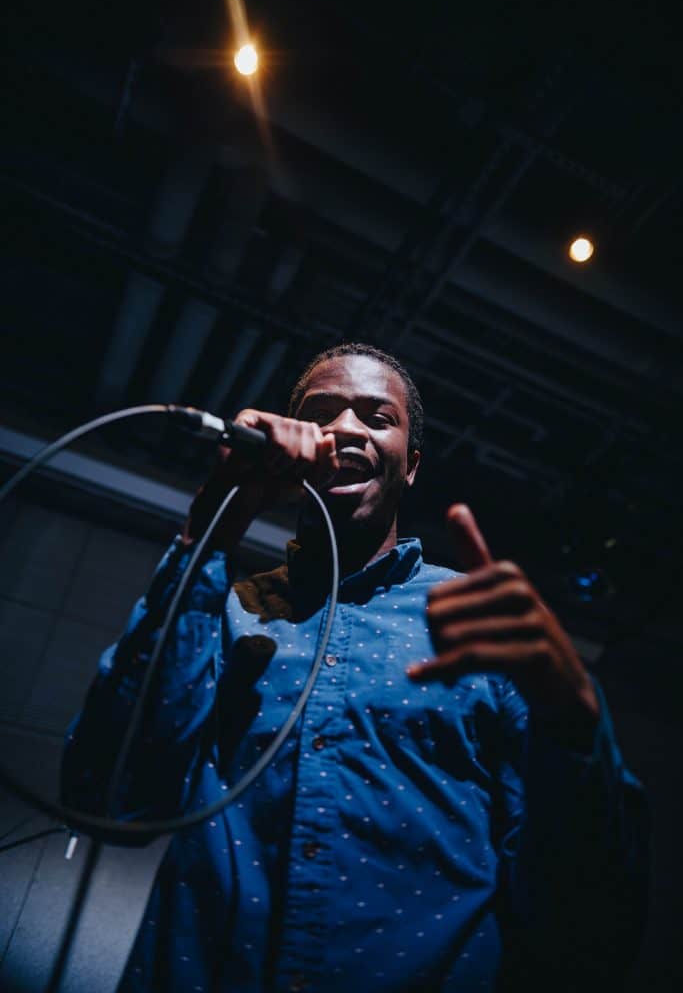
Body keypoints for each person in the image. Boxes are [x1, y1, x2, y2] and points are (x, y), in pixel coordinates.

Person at [62, 343, 649, 992]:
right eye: (321, 414)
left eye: (377, 417)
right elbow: (110, 800)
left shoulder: (475, 622)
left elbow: (580, 920)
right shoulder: (224, 613)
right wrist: (213, 526)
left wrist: (577, 724)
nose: (345, 429)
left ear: (411, 464)